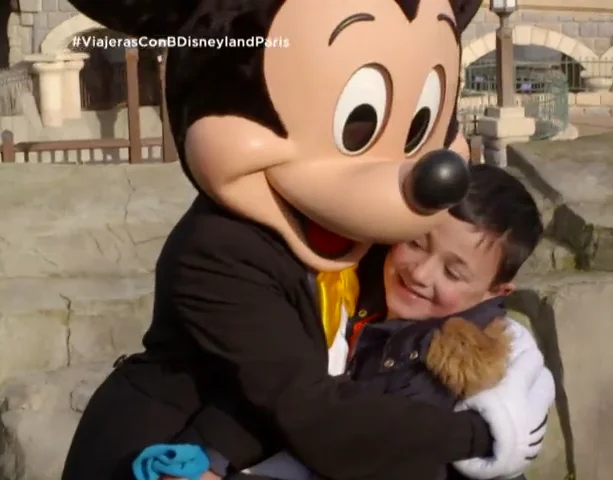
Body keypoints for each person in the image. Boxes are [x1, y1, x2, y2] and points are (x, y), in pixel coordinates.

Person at [60, 0, 555, 479]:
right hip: (164, 454)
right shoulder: (219, 252)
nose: (421, 268)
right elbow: (316, 417)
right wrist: (483, 435)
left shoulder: (376, 237)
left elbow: (473, 309)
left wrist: (512, 384)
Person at [139, 164, 548, 480]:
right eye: (415, 242)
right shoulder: (360, 301)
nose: (421, 274)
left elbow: (367, 451)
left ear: (497, 292)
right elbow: (286, 398)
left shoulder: (456, 366)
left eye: (454, 273)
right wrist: (205, 454)